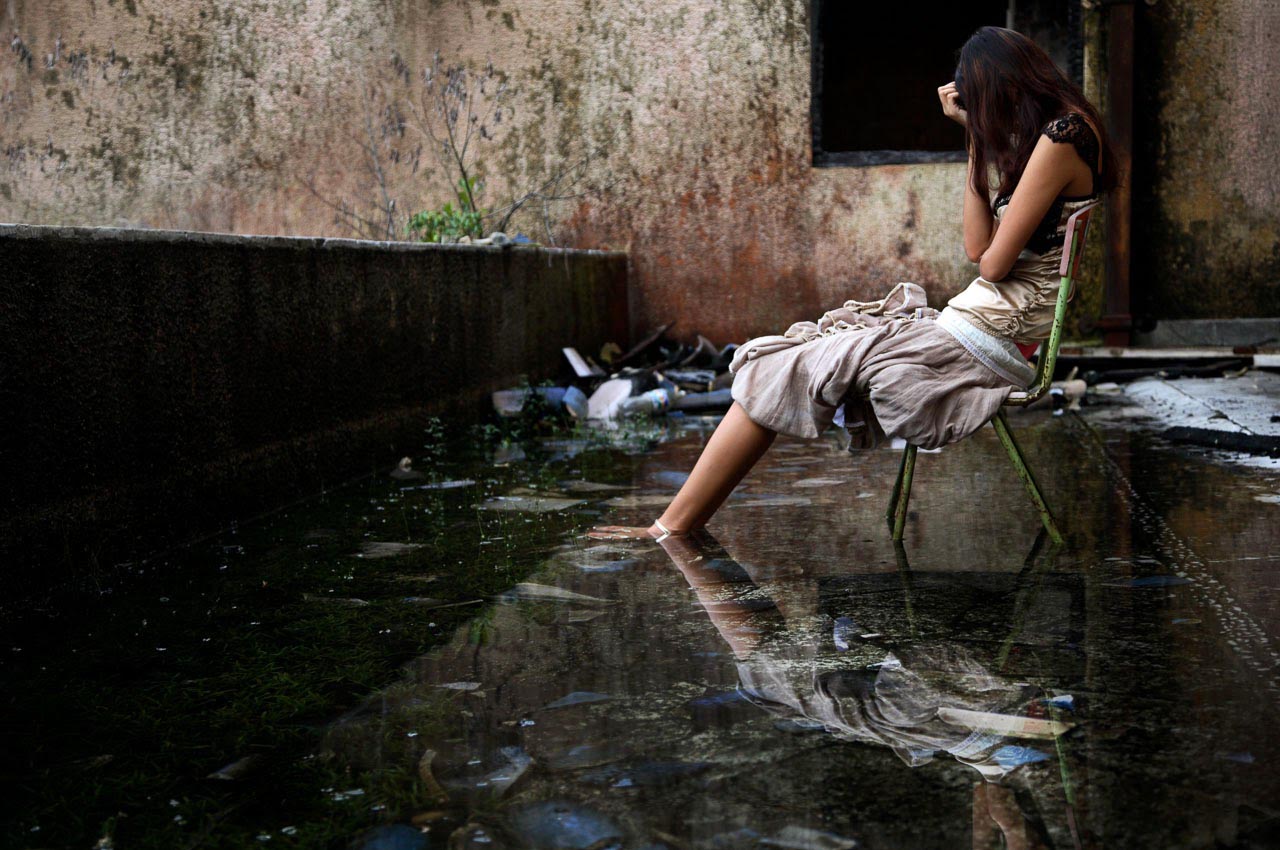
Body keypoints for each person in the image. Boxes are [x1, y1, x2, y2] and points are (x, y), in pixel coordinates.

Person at [590, 26, 1118, 543]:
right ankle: (674, 524)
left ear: (1004, 87)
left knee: (786, 365)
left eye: (980, 106)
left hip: (989, 339)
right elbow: (977, 248)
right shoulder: (1058, 132)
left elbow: (992, 267)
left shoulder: (1062, 137)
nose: (982, 120)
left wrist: (978, 131)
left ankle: (670, 527)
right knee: (800, 352)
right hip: (979, 326)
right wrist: (974, 138)